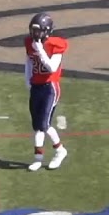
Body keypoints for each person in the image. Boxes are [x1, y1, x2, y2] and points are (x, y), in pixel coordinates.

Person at [23, 12, 69, 172]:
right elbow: (29, 61)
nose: (35, 34)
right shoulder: (30, 43)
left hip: (50, 87)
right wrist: (27, 79)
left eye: (38, 30)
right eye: (33, 30)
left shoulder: (56, 45)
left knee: (44, 124)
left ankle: (60, 150)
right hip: (36, 86)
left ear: (47, 31)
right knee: (37, 126)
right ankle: (38, 158)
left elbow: (51, 68)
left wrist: (41, 50)